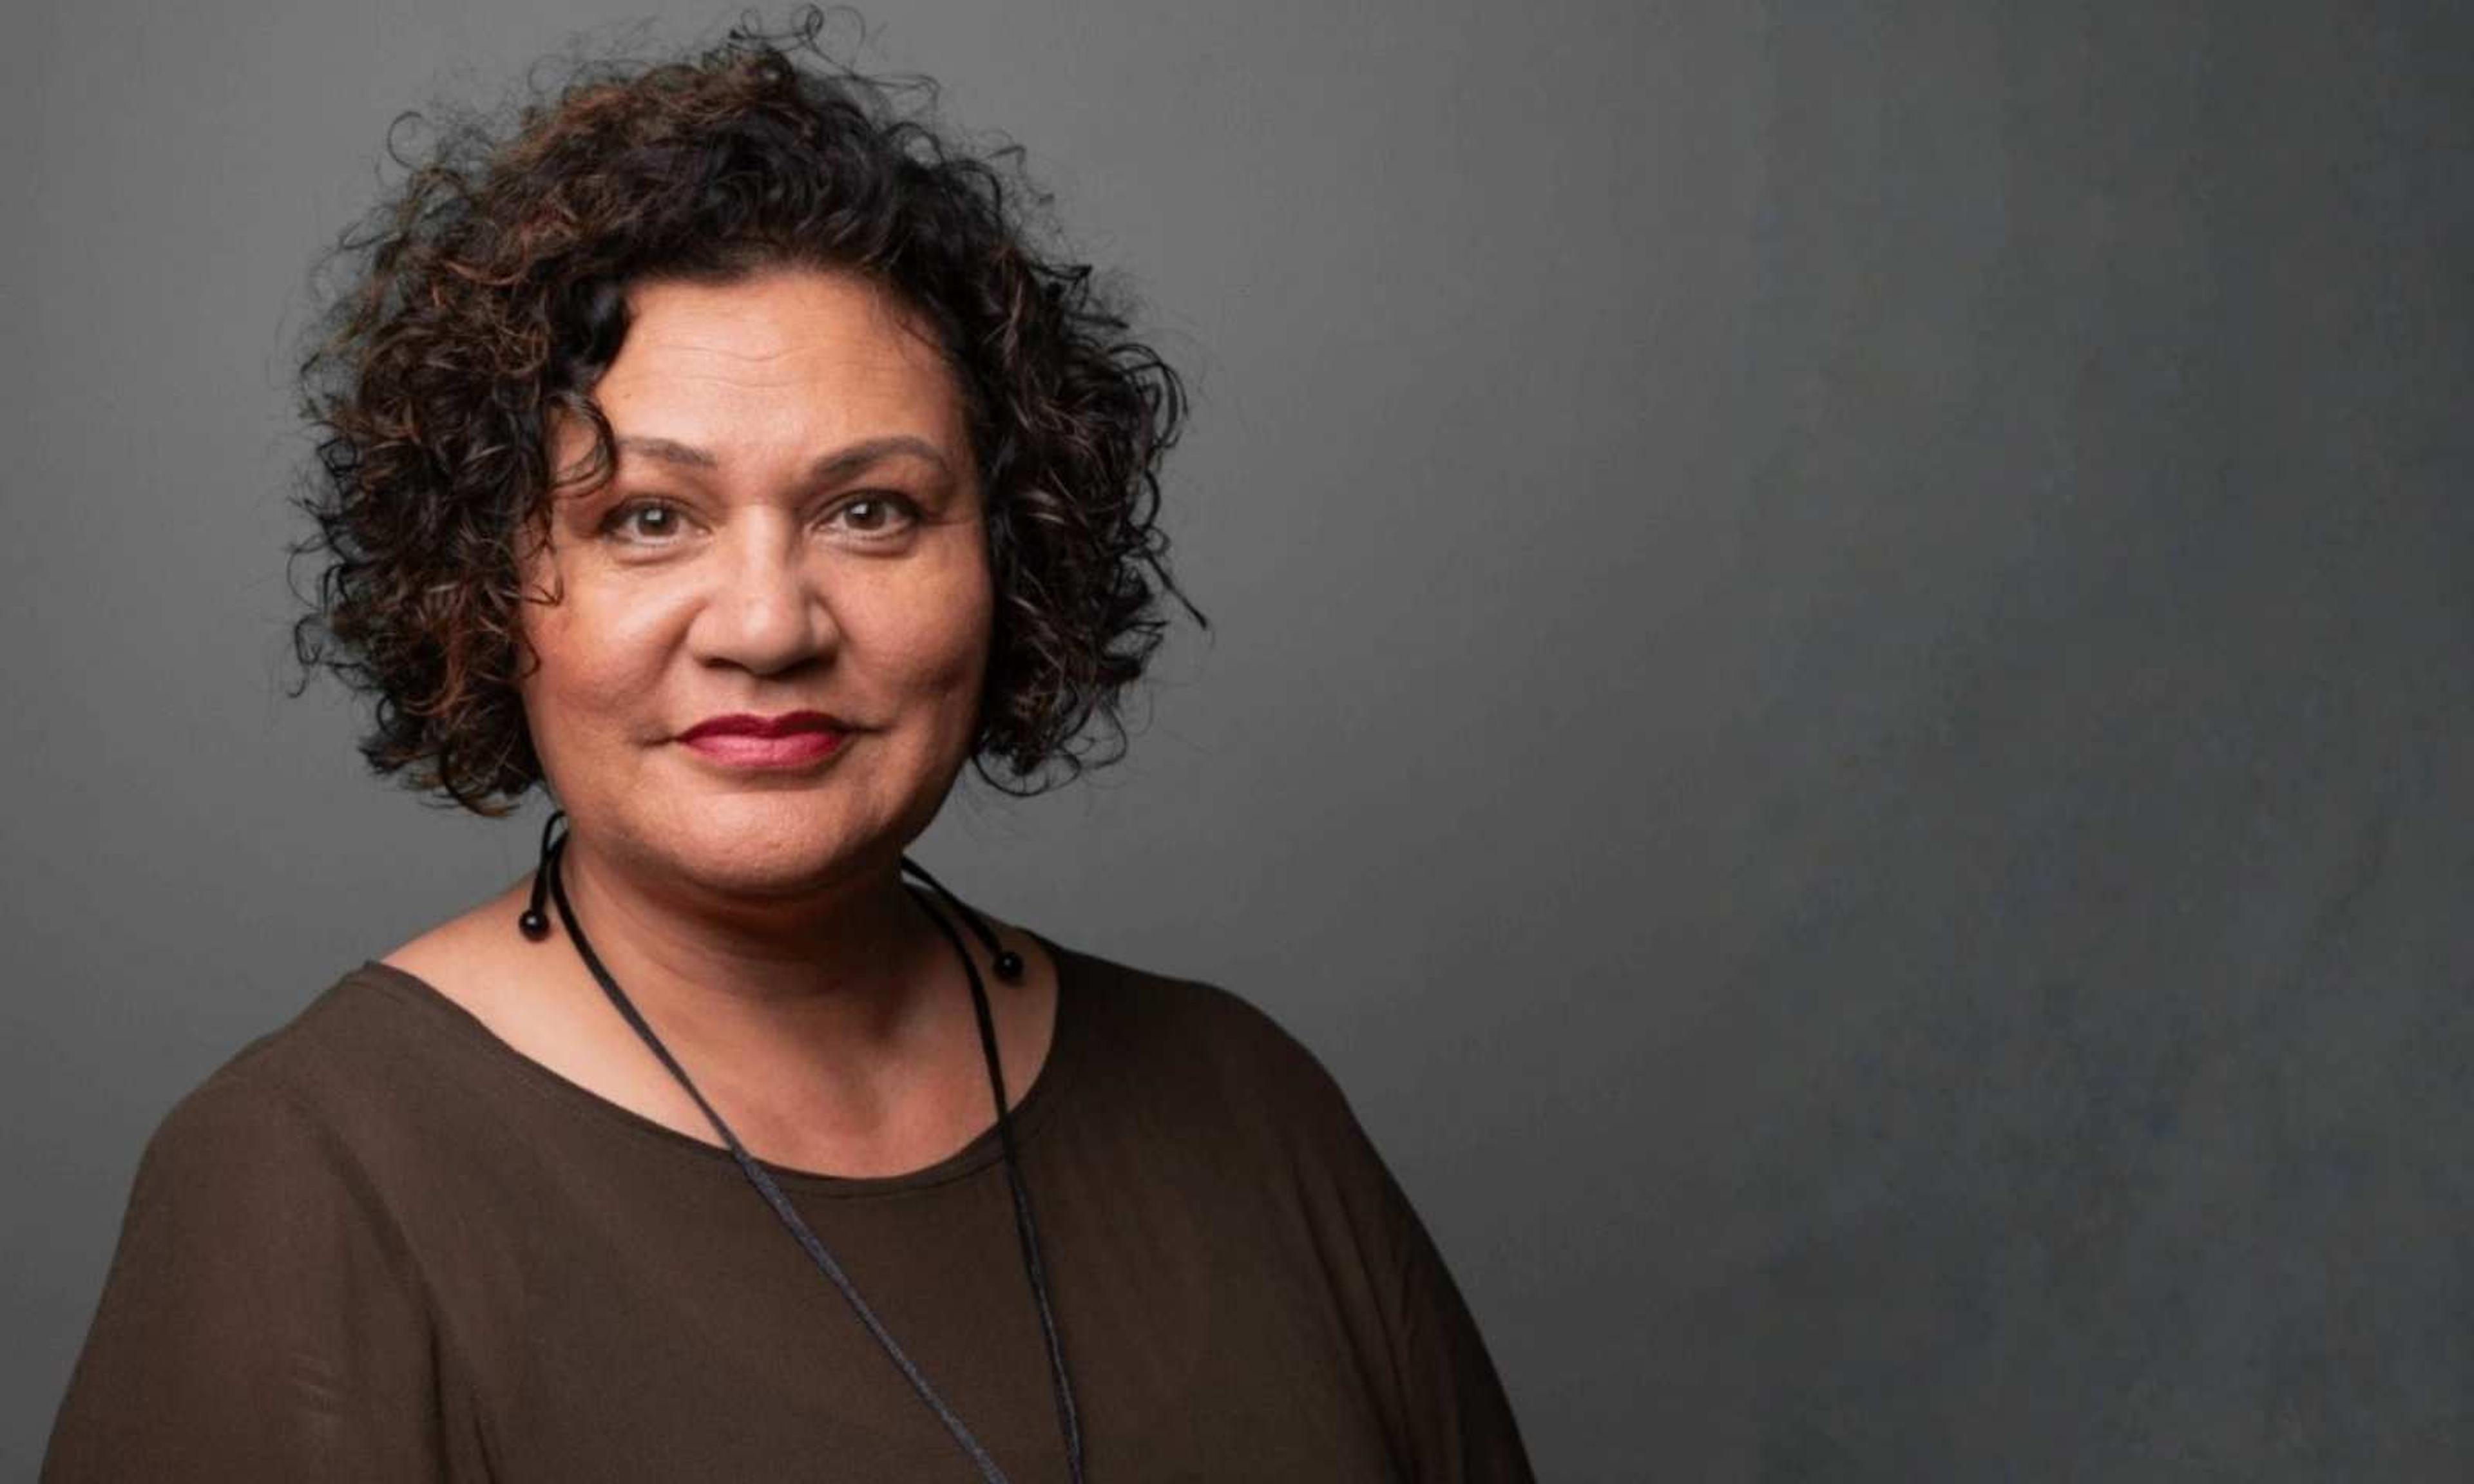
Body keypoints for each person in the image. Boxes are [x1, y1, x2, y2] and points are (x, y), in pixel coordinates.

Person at [41, 14, 1533, 1483]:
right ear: (479, 588)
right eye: (646, 519)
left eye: (870, 511)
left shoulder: (1249, 1110)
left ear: (1013, 561)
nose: (767, 625)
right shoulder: (308, 1176)